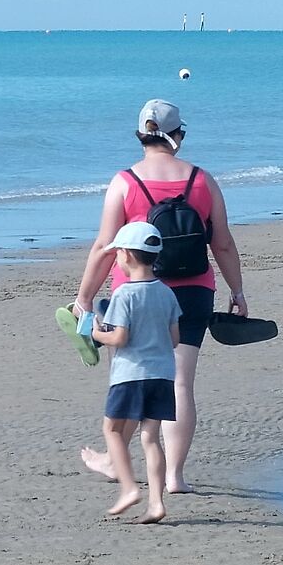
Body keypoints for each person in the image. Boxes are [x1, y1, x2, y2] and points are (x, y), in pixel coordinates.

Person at [69, 99, 246, 496]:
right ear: (177, 136)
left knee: (132, 377)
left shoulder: (125, 182)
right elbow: (223, 244)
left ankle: (116, 462)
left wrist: (84, 297)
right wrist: (237, 290)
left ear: (141, 135)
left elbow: (105, 245)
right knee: (179, 384)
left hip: (134, 294)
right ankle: (174, 477)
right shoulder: (202, 180)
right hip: (194, 289)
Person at [91, 221, 181, 523]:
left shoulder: (124, 295)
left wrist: (96, 333)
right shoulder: (167, 293)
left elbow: (119, 338)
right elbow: (174, 339)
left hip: (130, 374)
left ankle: (129, 488)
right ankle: (156, 503)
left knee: (112, 429)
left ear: (127, 255)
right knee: (151, 438)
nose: (117, 258)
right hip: (163, 374)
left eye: (117, 253)